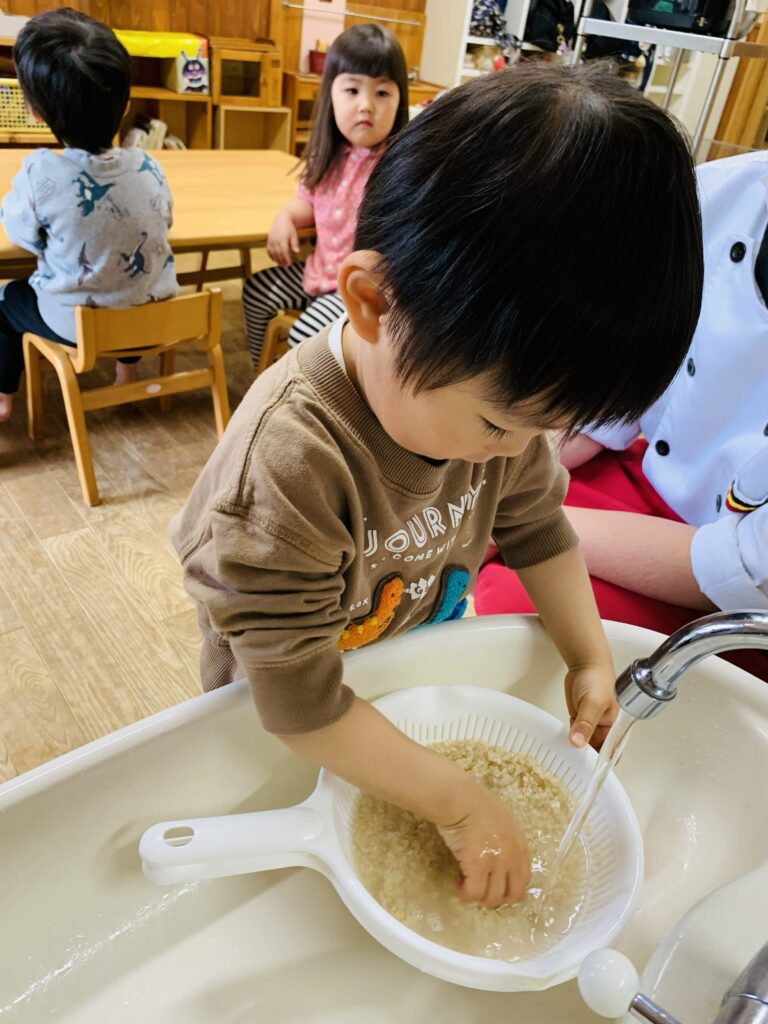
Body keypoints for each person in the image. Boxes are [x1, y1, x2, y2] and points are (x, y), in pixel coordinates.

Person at [171, 64, 703, 908]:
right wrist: (457, 803)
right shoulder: (283, 471)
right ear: (372, 302)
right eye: (500, 425)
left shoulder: (490, 409)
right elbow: (299, 703)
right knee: (286, 893)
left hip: (409, 673)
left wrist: (588, 654)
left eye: (550, 426)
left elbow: (540, 526)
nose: (519, 453)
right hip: (289, 725)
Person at [475, 148, 768, 680]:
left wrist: (518, 523)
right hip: (640, 479)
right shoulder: (717, 196)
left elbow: (742, 568)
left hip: (731, 589)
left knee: (518, 624)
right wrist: (487, 476)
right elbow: (606, 402)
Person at [0, 7, 178, 423]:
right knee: (128, 273)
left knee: (5, 301)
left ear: (34, 110)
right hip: (150, 315)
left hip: (78, 324)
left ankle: (3, 397)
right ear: (126, 101)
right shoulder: (150, 165)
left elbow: (20, 235)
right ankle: (127, 373)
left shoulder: (41, 172)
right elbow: (165, 219)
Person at [242, 23, 408, 368]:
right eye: (352, 90)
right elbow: (306, 200)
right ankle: (267, 378)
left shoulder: (398, 164)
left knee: (304, 336)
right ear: (330, 94)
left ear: (399, 100)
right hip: (320, 273)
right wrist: (286, 217)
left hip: (365, 291)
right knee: (256, 292)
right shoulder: (328, 155)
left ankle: (302, 392)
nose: (366, 105)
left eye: (382, 93)